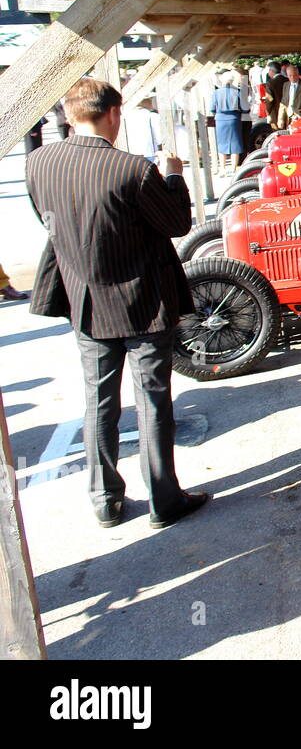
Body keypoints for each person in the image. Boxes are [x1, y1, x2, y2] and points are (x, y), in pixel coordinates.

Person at [26, 79, 209, 530]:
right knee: (152, 401)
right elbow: (176, 223)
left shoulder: (37, 163)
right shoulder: (132, 169)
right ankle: (164, 500)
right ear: (113, 114)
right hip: (144, 302)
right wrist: (173, 175)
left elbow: (48, 221)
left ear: (70, 116)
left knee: (98, 400)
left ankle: (105, 499)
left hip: (84, 301)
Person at [211, 69, 247, 175]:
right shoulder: (237, 92)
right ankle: (233, 168)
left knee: (222, 144)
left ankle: (222, 169)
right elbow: (245, 108)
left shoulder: (216, 93)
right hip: (234, 119)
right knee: (235, 144)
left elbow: (212, 108)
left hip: (220, 120)